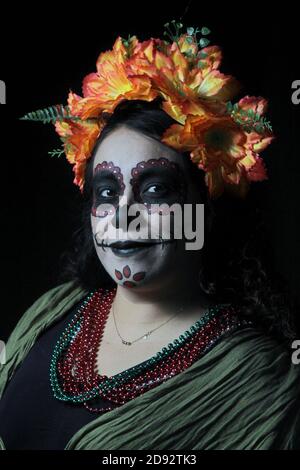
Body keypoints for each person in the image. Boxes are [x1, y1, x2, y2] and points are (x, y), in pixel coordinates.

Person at [0, 24, 299, 450]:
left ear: (205, 206)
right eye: (106, 192)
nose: (123, 215)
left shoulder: (256, 378)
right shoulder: (52, 311)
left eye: (155, 190)